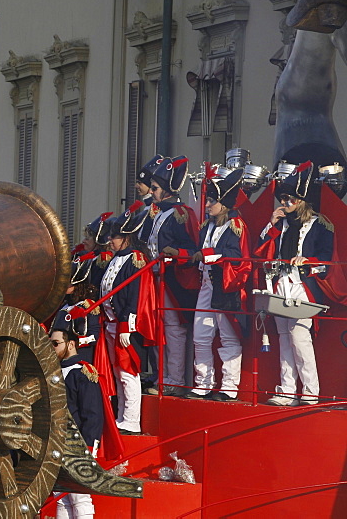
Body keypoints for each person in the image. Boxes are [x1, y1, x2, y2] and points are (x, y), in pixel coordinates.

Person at [255, 162, 333, 405]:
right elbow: (260, 251)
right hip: (280, 283)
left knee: (299, 338)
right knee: (283, 337)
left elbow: (326, 262)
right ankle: (287, 390)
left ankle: (310, 392)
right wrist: (271, 224)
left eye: (288, 199)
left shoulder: (320, 225)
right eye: (282, 199)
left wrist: (308, 261)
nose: (284, 204)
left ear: (301, 200)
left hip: (303, 285)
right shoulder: (281, 224)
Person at [187, 169, 251, 401]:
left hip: (225, 286)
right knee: (200, 335)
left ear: (223, 204)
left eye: (212, 201)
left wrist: (207, 254)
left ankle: (229, 387)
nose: (207, 205)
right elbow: (197, 252)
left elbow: (235, 255)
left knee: (228, 335)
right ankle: (203, 383)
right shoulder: (207, 227)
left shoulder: (236, 226)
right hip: (206, 285)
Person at [140, 156, 199, 397]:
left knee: (174, 329)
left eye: (154, 188)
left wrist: (176, 253)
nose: (151, 192)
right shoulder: (154, 213)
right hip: (153, 279)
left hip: (172, 279)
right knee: (158, 329)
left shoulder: (180, 214)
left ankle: (174, 379)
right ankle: (160, 376)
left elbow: (192, 248)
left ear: (166, 190)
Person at [92, 211, 155, 435]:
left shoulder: (135, 259)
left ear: (126, 238)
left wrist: (127, 324)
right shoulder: (115, 259)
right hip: (110, 321)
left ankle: (131, 419)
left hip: (124, 324)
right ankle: (122, 416)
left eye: (115, 237)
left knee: (128, 373)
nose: (110, 240)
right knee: (118, 372)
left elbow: (134, 295)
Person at [50, 328, 103, 519]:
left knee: (79, 497)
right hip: (56, 443)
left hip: (76, 443)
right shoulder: (53, 371)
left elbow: (93, 413)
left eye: (55, 344)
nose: (51, 348)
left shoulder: (83, 372)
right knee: (62, 497)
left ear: (71, 344)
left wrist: (89, 447)